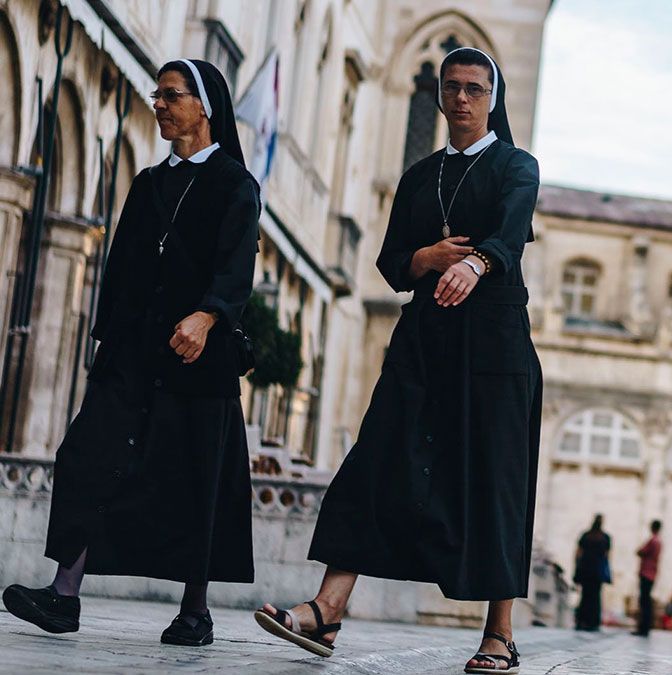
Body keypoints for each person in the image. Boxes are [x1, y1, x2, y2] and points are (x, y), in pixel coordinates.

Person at [252, 47, 541, 673]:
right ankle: (328, 610)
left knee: (497, 478)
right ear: (439, 96)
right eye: (452, 87)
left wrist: (474, 262)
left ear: (492, 98)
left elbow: (511, 232)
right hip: (424, 342)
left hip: (493, 347)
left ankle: (499, 633)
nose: (461, 98)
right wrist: (428, 258)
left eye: (473, 88)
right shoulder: (419, 177)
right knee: (376, 457)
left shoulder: (518, 167)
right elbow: (390, 264)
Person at [2, 59, 259, 648]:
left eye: (171, 96)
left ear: (205, 107)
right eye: (157, 95)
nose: (160, 105)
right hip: (135, 355)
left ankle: (195, 611)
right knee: (87, 458)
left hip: (200, 359)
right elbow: (120, 269)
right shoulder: (147, 184)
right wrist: (109, 344)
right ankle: (64, 595)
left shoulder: (234, 184)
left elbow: (236, 264)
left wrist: (208, 314)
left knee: (195, 479)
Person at [573, 515, 611, 632]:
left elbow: (578, 553)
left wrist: (577, 566)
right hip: (597, 571)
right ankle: (593, 622)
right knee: (595, 597)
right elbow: (607, 555)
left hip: (585, 568)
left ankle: (581, 620)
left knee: (585, 595)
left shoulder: (586, 535)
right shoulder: (605, 537)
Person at [633, 520, 662, 636]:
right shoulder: (659, 542)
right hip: (652, 573)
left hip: (646, 572)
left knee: (644, 601)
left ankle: (643, 628)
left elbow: (640, 551)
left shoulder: (652, 541)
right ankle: (645, 627)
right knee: (647, 601)